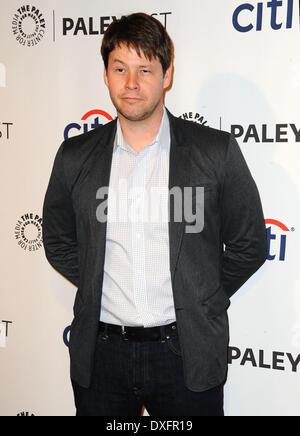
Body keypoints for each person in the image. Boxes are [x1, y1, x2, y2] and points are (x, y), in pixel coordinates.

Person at [42, 12, 267, 416]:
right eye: (120, 68)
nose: (131, 83)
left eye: (145, 69)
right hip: (101, 356)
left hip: (186, 354)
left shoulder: (215, 151)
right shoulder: (74, 157)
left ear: (167, 75)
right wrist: (96, 277)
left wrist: (202, 295)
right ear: (106, 75)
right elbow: (58, 241)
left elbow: (249, 245)